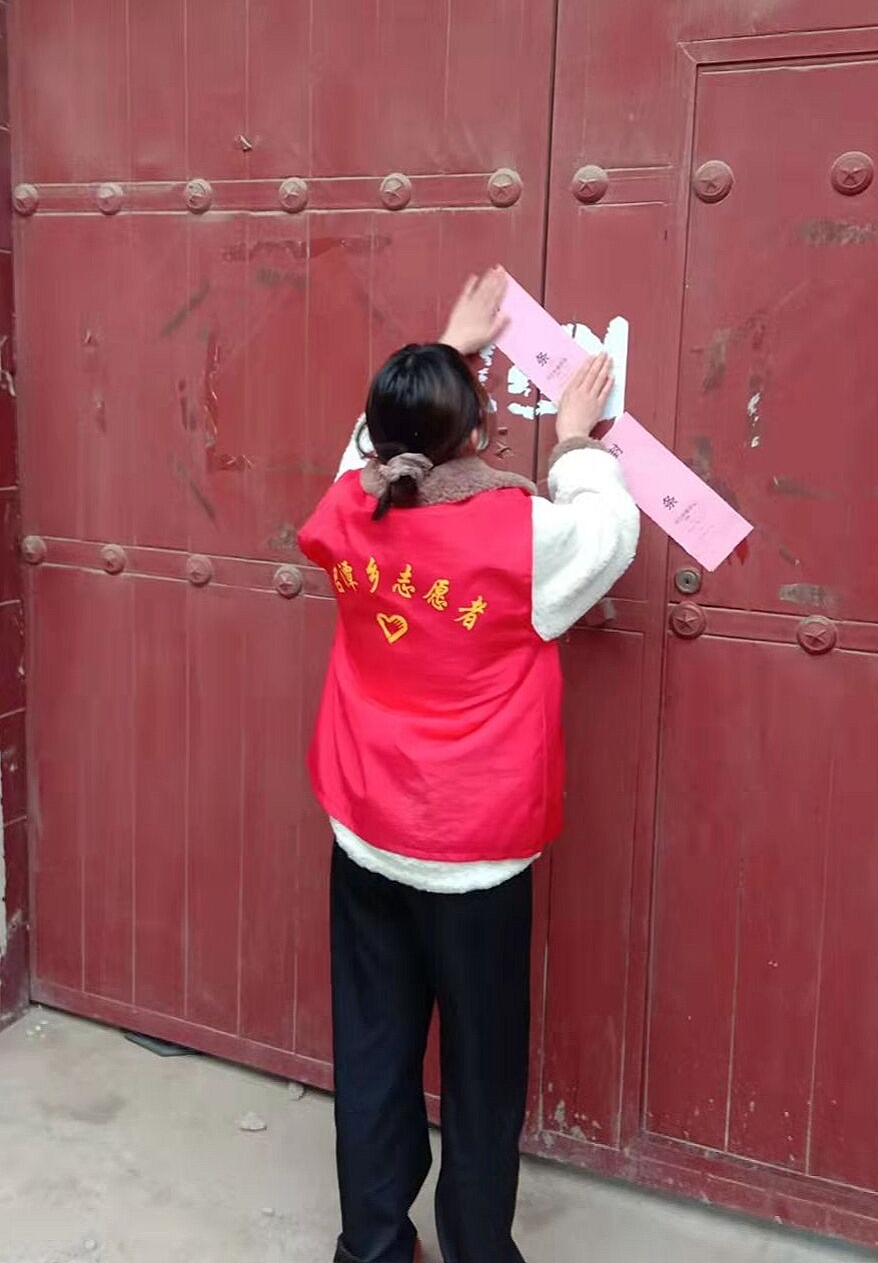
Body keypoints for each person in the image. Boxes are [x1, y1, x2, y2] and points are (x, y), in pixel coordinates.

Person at [299, 267, 640, 1263]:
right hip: (474, 855)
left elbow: (365, 450)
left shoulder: (349, 510)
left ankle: (371, 1245)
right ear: (482, 433)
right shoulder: (519, 537)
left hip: (367, 830)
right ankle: (478, 1250)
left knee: (373, 1047)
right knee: (482, 1072)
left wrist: (442, 351)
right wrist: (576, 441)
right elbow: (609, 533)